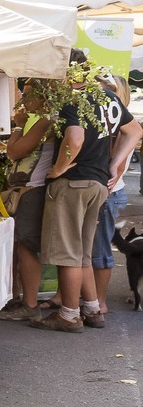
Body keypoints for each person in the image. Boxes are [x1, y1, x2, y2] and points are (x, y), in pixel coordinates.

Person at [32, 55, 139, 332]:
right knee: (81, 251)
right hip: (98, 184)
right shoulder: (107, 97)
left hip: (73, 182)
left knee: (68, 252)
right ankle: (91, 309)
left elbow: (76, 139)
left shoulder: (73, 99)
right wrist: (114, 165)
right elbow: (134, 130)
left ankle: (69, 315)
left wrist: (58, 168)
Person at [0, 83, 58, 322]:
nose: (22, 98)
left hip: (32, 189)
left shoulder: (44, 121)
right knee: (21, 244)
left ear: (43, 96)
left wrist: (19, 126)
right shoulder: (41, 120)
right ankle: (20, 298)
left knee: (26, 244)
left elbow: (14, 151)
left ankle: (30, 303)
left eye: (28, 92)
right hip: (27, 188)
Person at [88, 75, 140, 320]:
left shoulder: (121, 127)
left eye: (107, 91)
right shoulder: (114, 125)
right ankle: (93, 299)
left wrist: (102, 193)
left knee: (100, 250)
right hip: (108, 193)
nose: (101, 95)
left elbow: (116, 169)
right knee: (94, 248)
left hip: (108, 193)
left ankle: (100, 302)